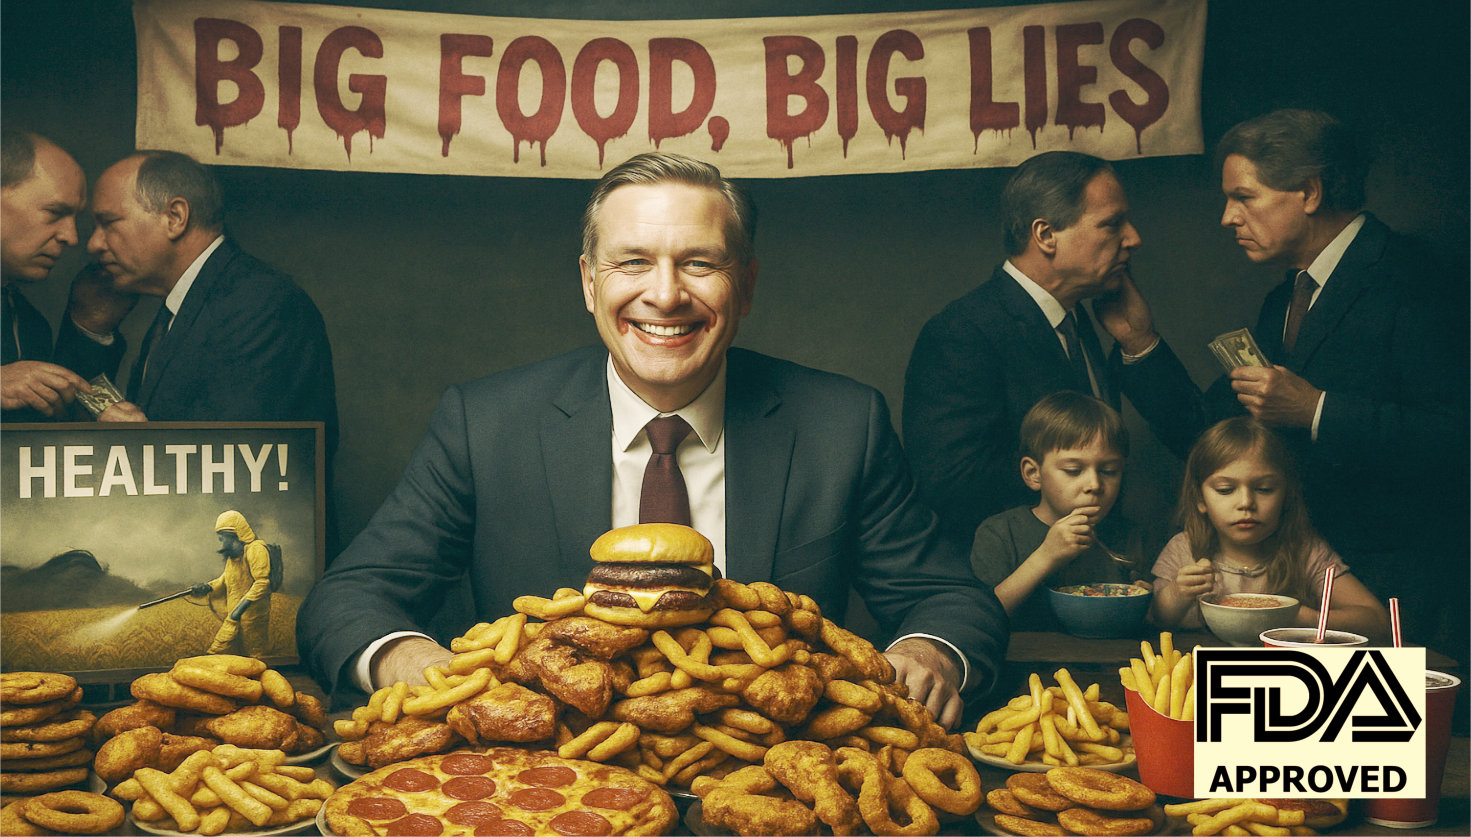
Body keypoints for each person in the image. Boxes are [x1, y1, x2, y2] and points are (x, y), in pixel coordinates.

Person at [297, 152, 1007, 727]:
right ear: (587, 281)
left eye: (698, 262)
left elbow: (953, 599)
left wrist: (930, 650)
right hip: (541, 792)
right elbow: (347, 597)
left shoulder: (841, 424)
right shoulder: (484, 423)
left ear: (747, 285)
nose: (664, 295)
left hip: (763, 788)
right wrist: (405, 657)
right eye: (632, 261)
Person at [1209, 109, 1466, 652]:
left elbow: (1456, 434)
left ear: (1307, 191)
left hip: (1409, 594)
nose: (1227, 217)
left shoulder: (1416, 276)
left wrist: (1318, 410)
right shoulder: (1284, 299)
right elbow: (1215, 436)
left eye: (1244, 197)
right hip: (1304, 591)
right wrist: (1140, 345)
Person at [904, 151, 1203, 551]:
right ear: (1045, 235)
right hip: (1011, 586)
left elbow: (1200, 438)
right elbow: (952, 485)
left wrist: (1139, 342)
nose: (1133, 238)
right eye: (1112, 224)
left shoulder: (1078, 319)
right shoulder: (962, 332)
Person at [84, 150, 338, 461]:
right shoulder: (188, 304)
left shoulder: (263, 305)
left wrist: (144, 443)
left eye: (108, 222)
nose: (93, 243)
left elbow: (248, 466)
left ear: (175, 217)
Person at [1149, 417, 1389, 643]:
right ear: (1200, 499)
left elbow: (1377, 621)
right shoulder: (1185, 549)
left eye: (1264, 489)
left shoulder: (1305, 550)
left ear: (1286, 496)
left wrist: (1299, 618)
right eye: (1225, 490)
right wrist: (1178, 593)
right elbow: (1154, 618)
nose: (1246, 503)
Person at [970, 391, 1146, 632]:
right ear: (1034, 474)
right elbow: (980, 616)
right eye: (1074, 470)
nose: (1094, 484)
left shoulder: (1126, 535)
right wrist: (1046, 556)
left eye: (1109, 471)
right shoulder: (1000, 533)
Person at [1, 131, 134, 421]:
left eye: (74, 218)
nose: (71, 237)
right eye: (54, 212)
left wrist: (88, 328)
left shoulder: (29, 323)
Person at [191, 510, 276, 657]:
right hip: (234, 618)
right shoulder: (233, 558)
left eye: (222, 538)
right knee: (224, 655)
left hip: (253, 619)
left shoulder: (256, 549)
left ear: (235, 535)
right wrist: (206, 587)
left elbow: (262, 583)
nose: (221, 542)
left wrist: (239, 610)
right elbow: (224, 579)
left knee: (255, 656)